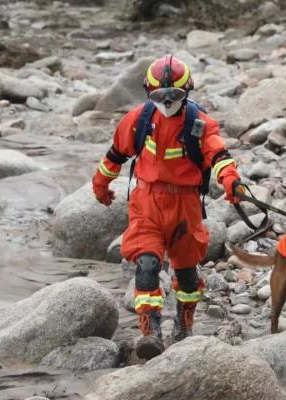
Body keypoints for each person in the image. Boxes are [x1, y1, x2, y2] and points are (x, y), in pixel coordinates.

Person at [91, 55, 243, 360]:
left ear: (188, 91)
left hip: (185, 206)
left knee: (187, 273)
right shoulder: (138, 120)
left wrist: (231, 180)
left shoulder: (199, 124)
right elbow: (115, 155)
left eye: (175, 95)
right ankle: (151, 332)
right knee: (146, 263)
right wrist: (100, 185)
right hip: (147, 201)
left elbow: (219, 154)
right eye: (160, 96)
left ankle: (185, 325)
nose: (168, 101)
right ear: (149, 92)